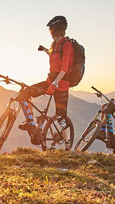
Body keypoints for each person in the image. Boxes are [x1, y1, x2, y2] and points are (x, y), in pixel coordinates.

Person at [16, 15, 82, 147]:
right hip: (50, 81)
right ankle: (31, 125)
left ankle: (67, 144)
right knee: (25, 93)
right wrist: (45, 49)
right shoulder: (55, 44)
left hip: (61, 85)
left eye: (51, 29)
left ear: (55, 29)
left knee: (61, 117)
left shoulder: (67, 45)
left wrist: (54, 84)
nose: (50, 32)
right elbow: (54, 56)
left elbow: (64, 69)